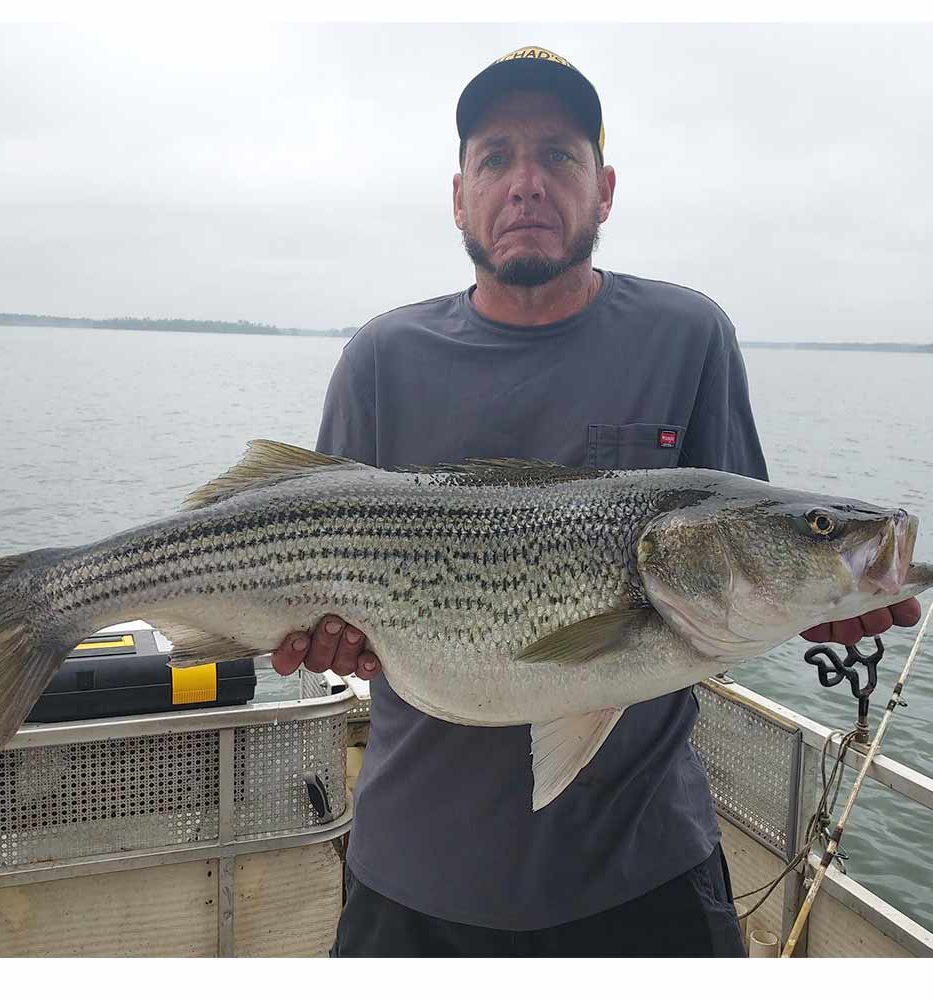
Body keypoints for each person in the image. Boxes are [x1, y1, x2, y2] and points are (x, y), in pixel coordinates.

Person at [271, 46, 922, 957]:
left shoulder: (688, 335)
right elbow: (320, 574)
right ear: (458, 194)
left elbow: (743, 563)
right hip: (415, 871)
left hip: (645, 867)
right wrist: (326, 637)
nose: (526, 183)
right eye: (495, 158)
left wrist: (821, 601)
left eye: (559, 156)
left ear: (604, 189)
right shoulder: (381, 360)